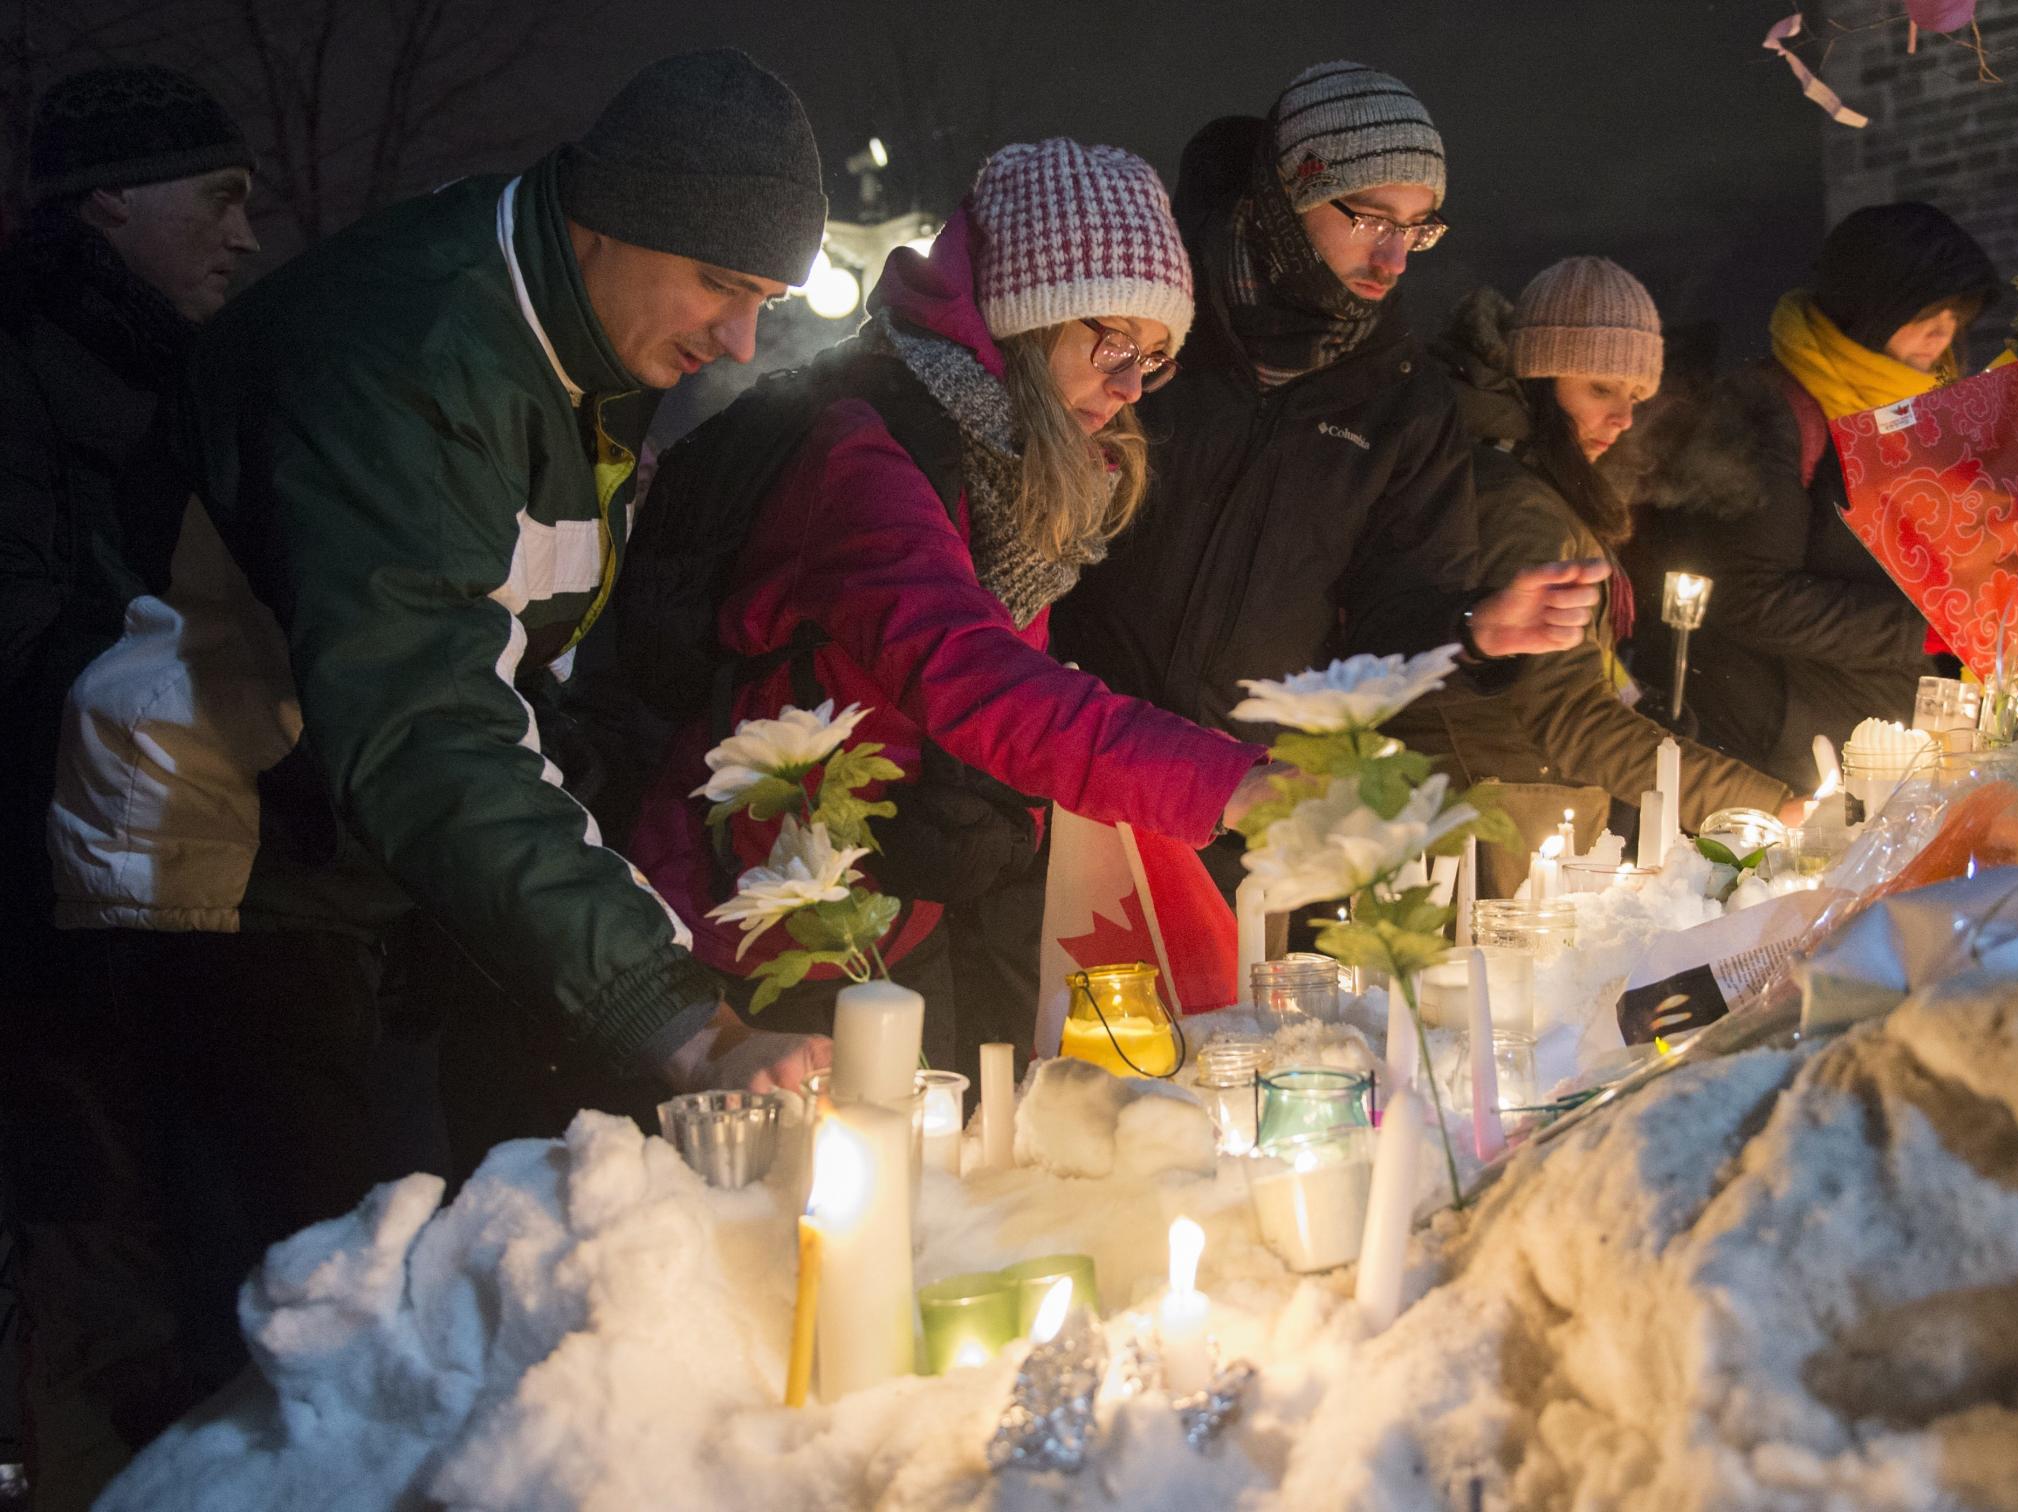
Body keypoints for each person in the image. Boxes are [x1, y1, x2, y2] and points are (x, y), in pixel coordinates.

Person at [34, 50, 826, 1495]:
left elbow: (514, 672)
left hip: (354, 865)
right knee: (297, 1340)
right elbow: (422, 717)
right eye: (722, 284)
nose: (739, 343)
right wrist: (675, 1021)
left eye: (765, 302)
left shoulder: (585, 351)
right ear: (611, 217)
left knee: (401, 1286)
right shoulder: (398, 347)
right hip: (208, 881)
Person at [625, 140, 1271, 1072]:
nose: (1132, 387)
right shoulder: (867, 451)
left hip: (897, 898)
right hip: (770, 923)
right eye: (1114, 343)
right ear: (1025, 313)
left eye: (1157, 359)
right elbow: (977, 680)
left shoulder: (1004, 459)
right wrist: (1230, 782)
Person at [1050, 61, 1605, 764]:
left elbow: (1395, 614)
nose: (1395, 256)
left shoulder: (1404, 401)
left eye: (1417, 229)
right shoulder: (1145, 324)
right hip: (1061, 753)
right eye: (1371, 218)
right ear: (1288, 196)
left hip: (1239, 798)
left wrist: (1473, 628)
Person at [0, 63, 259, 1510]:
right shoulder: (30, 360)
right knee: (96, 1252)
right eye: (217, 198)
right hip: (54, 918)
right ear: (105, 199)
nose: (243, 234)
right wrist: (192, 685)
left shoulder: (168, 364)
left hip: (154, 889)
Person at [1387, 257, 1791, 845]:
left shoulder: (1524, 482)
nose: (1624, 418)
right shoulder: (1517, 506)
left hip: (1499, 810)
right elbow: (1571, 718)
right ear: (1538, 379)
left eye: (1635, 394)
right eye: (1600, 388)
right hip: (1489, 824)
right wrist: (1766, 807)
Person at [1621, 202, 2001, 795]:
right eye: (1926, 312)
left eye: (1957, 316)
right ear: (1871, 308)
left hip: (1870, 737)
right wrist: (1928, 629)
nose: (1943, 334)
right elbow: (1751, 595)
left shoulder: (1921, 416)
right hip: (1784, 752)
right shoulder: (1772, 412)